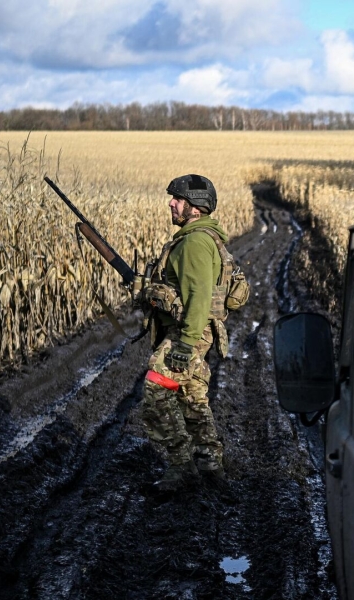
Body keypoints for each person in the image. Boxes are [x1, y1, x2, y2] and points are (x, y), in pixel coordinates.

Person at [139, 174, 232, 491]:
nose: (171, 203)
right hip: (194, 334)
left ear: (195, 208)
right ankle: (211, 468)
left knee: (156, 392)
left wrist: (183, 346)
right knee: (193, 401)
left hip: (187, 336)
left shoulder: (193, 243)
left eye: (177, 199)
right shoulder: (203, 238)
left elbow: (198, 299)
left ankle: (182, 468)